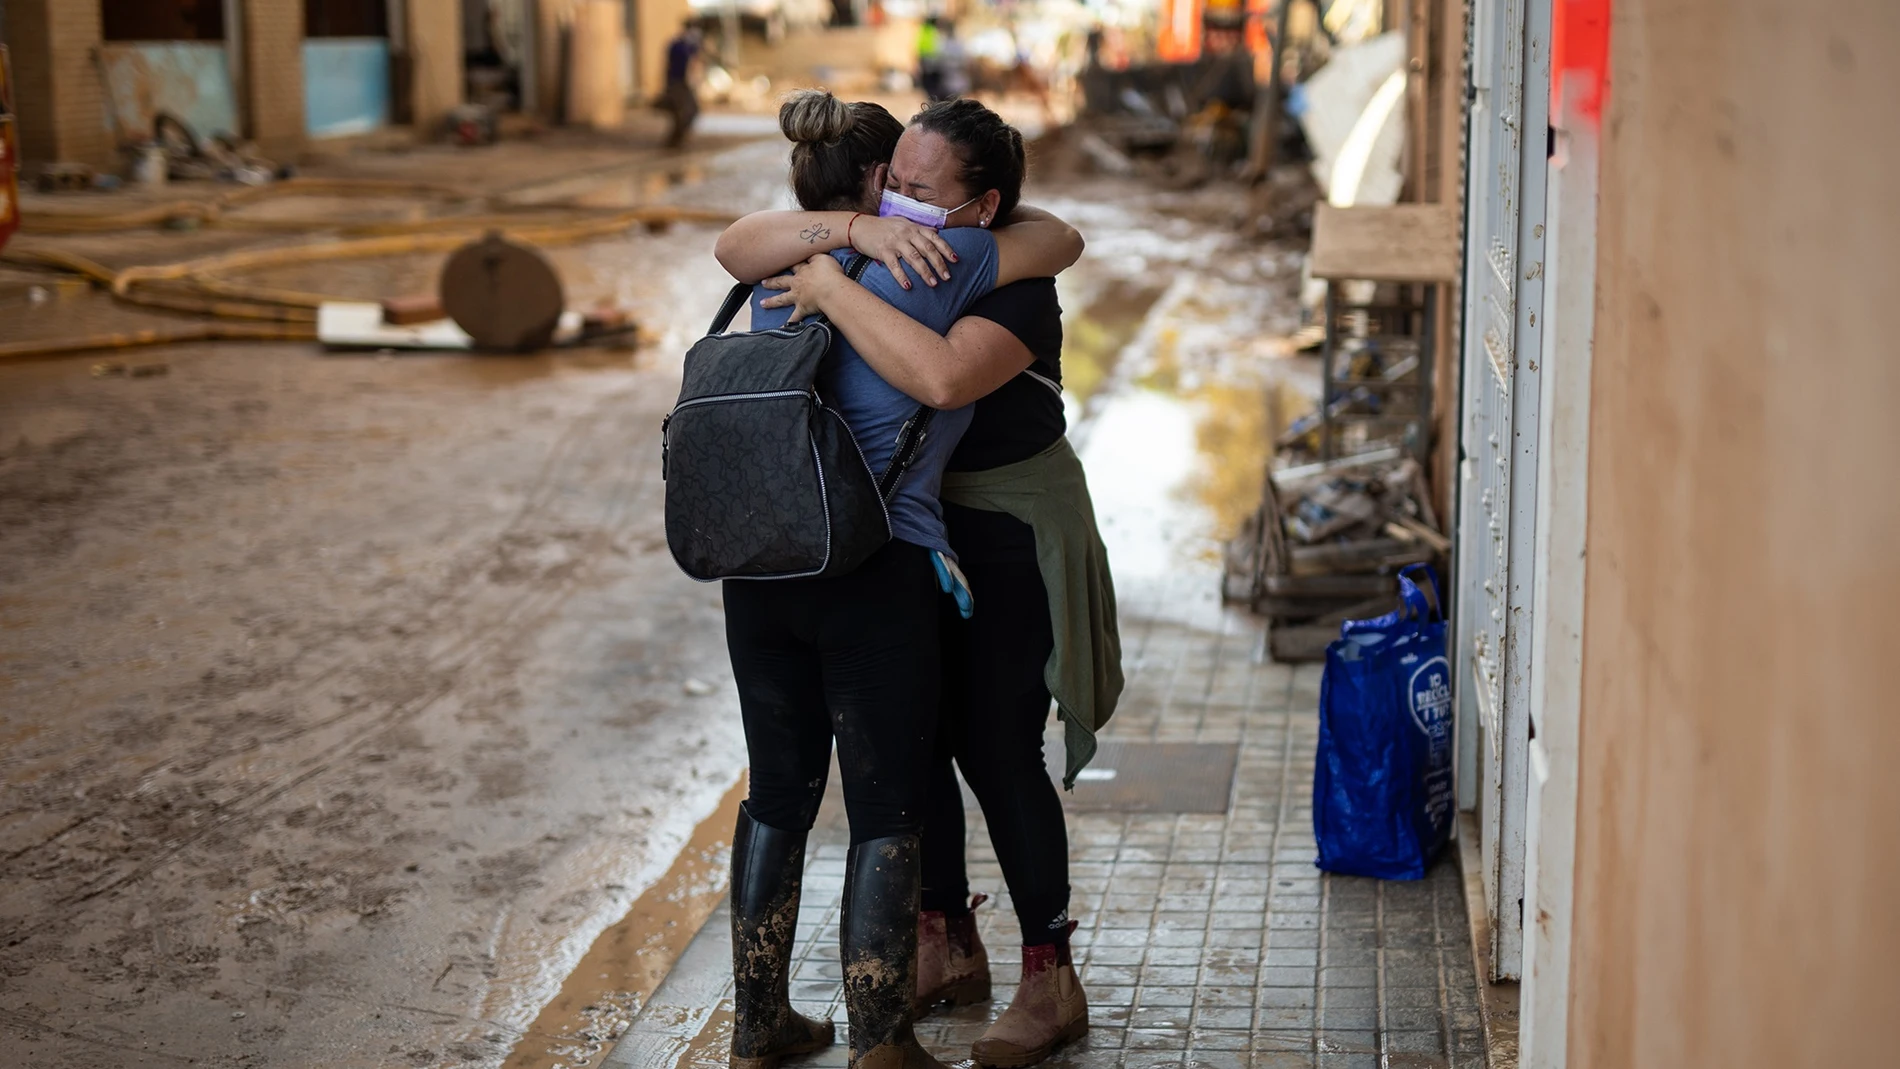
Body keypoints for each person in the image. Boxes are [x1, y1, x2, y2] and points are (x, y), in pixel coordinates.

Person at [743, 97, 1122, 1068]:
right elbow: (740, 243)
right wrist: (853, 239)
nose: (897, 202)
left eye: (920, 191)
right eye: (889, 184)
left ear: (981, 204)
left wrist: (834, 286)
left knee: (994, 748)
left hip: (1003, 532)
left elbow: (947, 378)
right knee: (912, 747)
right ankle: (943, 939)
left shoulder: (1004, 281)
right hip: (907, 540)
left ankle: (1052, 979)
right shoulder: (878, 247)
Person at [663, 23, 704, 147]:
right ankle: (674, 140)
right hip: (677, 83)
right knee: (683, 112)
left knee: (690, 111)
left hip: (686, 84)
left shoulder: (689, 46)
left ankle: (677, 139)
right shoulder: (678, 46)